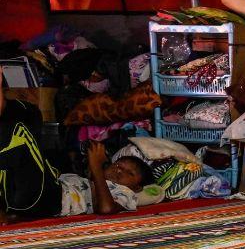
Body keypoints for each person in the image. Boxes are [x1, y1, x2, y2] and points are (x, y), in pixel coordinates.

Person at [0, 90, 147, 224]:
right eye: (118, 165)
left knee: (20, 132)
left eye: (130, 173)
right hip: (40, 193)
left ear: (137, 187)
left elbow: (107, 209)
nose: (119, 171)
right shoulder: (90, 180)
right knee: (28, 112)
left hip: (51, 196)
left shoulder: (125, 193)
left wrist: (96, 167)